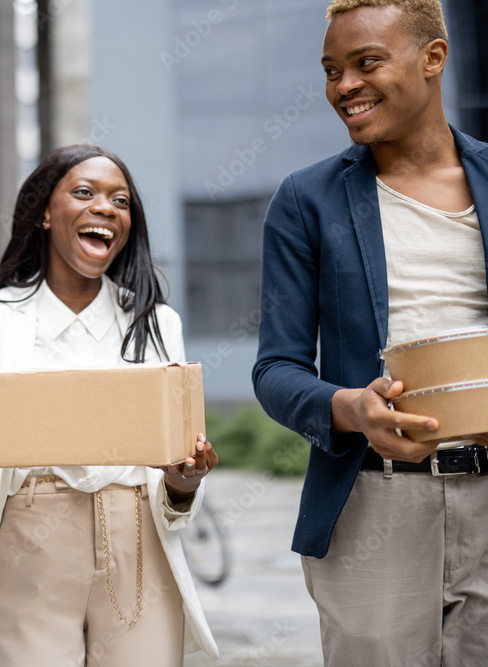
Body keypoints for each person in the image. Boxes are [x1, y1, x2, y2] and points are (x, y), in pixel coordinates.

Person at [253, 1, 488, 663]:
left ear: (433, 58)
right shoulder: (307, 200)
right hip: (374, 499)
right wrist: (352, 406)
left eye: (365, 63)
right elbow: (275, 369)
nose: (343, 86)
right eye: (332, 70)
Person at [0, 145, 219, 666]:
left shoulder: (156, 322)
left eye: (120, 200)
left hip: (138, 541)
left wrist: (185, 482)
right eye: (84, 193)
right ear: (43, 212)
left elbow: (175, 483)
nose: (105, 208)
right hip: (30, 537)